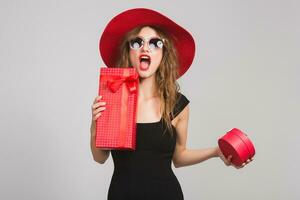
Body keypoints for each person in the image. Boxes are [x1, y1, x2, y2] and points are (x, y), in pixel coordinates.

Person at [90, 8, 253, 200]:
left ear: (163, 54)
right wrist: (95, 125)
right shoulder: (114, 99)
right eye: (137, 42)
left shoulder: (177, 105)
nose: (145, 48)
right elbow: (99, 158)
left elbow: (179, 157)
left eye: (155, 43)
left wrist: (216, 152)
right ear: (129, 51)